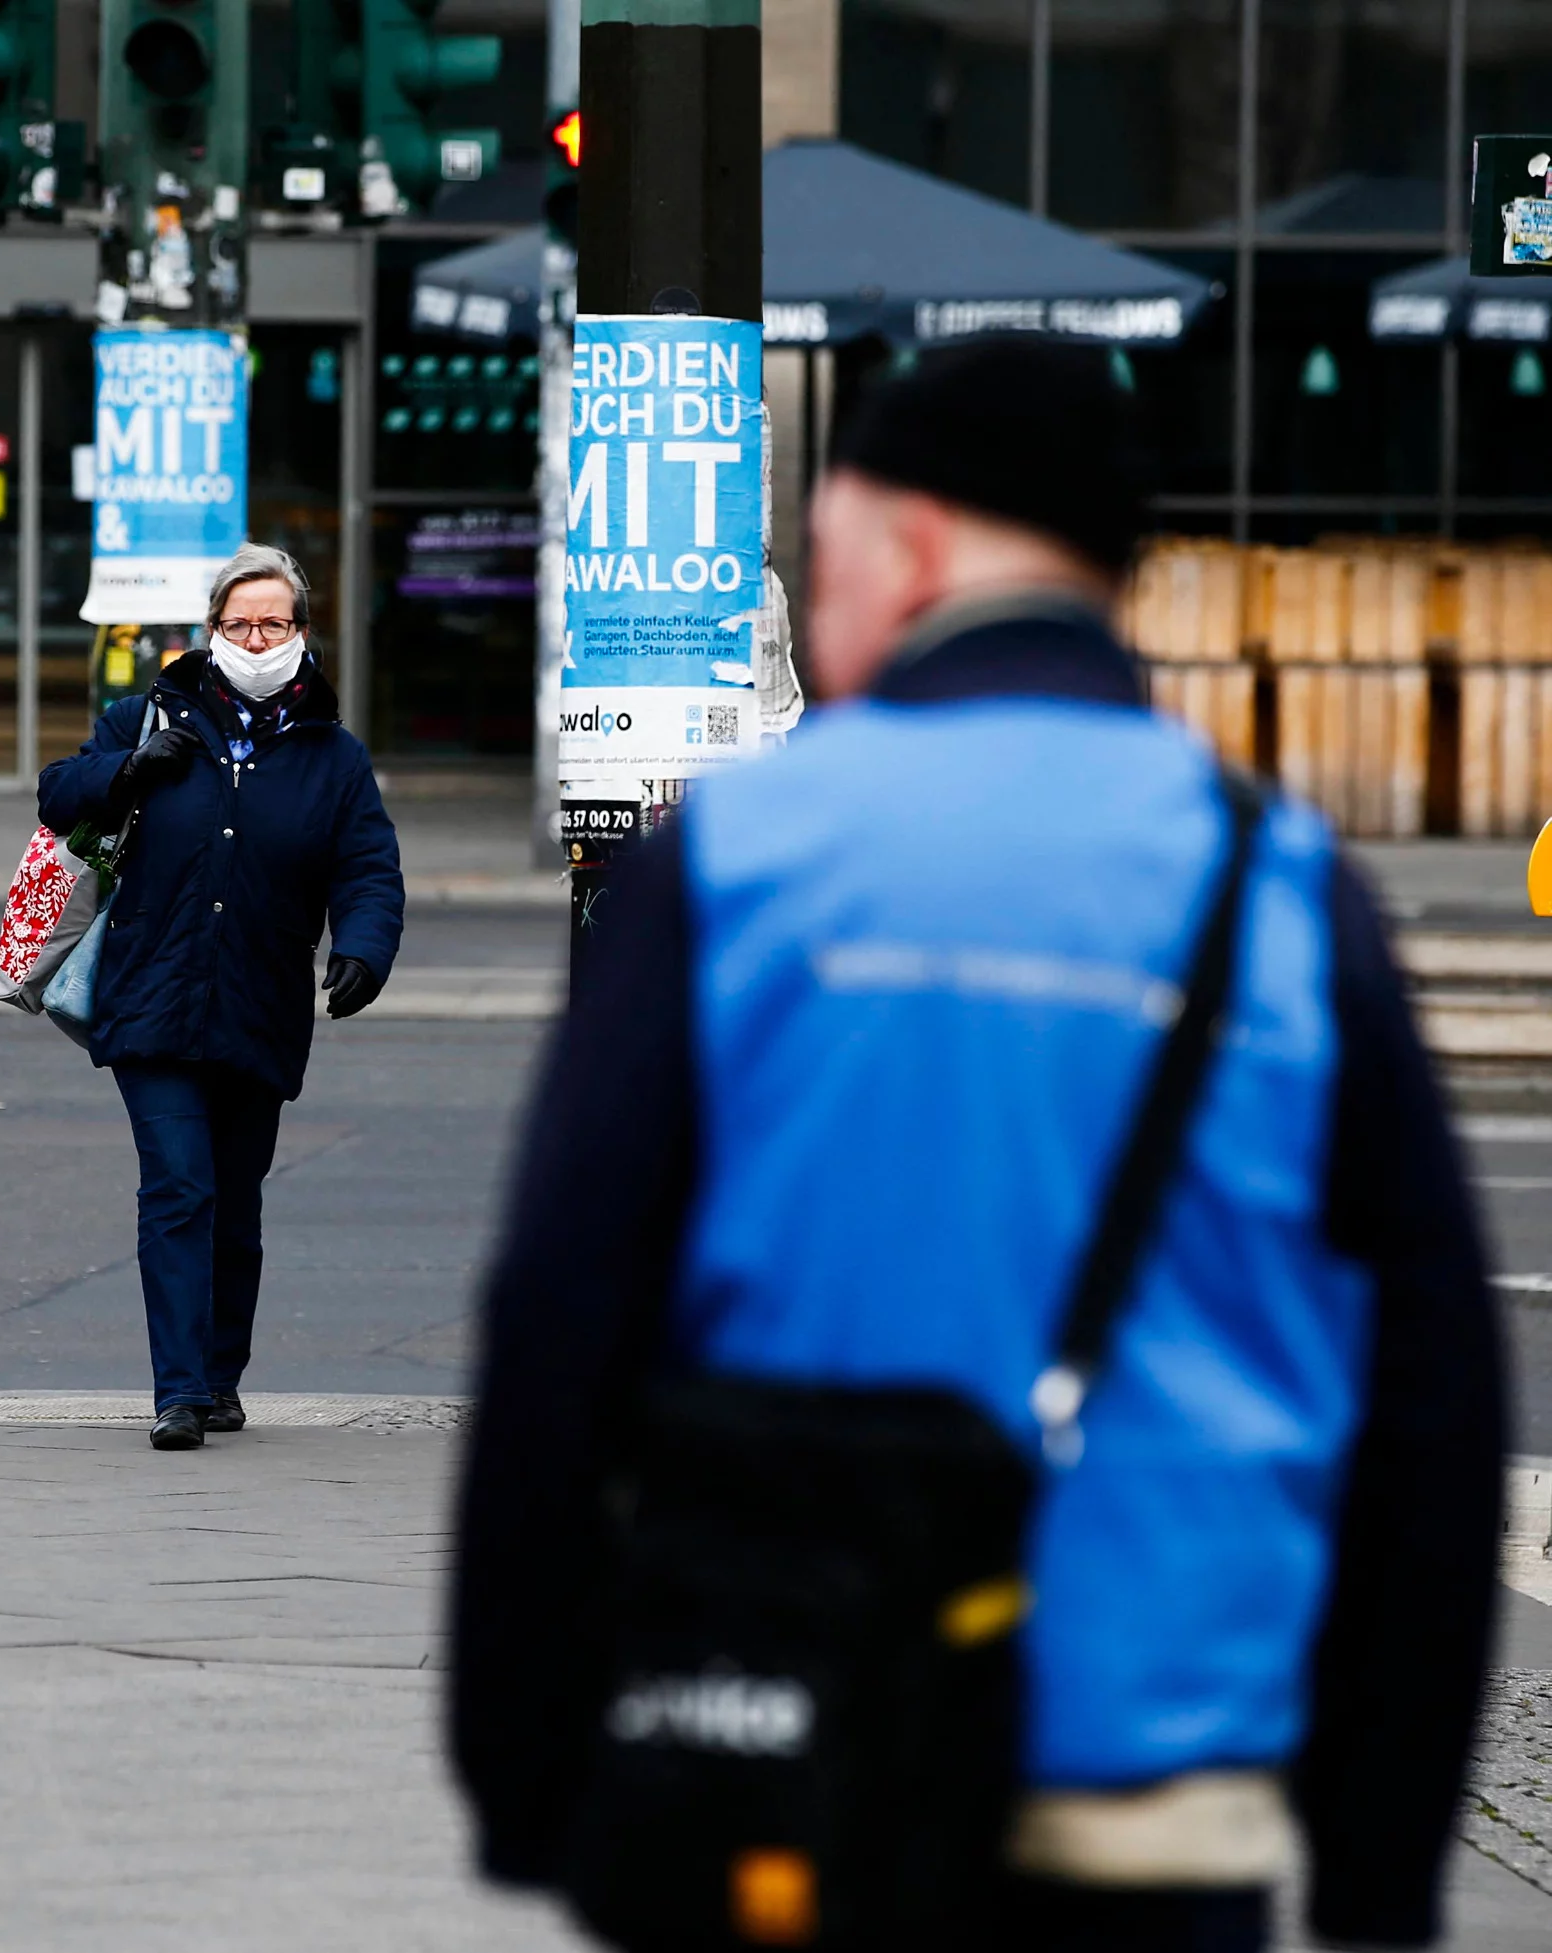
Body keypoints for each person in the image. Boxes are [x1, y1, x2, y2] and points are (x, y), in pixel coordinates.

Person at [449, 337, 1504, 1950]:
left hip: (793, 1759)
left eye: (824, 550)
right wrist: (1377, 1858)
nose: (816, 594)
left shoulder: (735, 858)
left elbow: (556, 1318)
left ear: (914, 539)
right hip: (1150, 1793)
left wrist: (528, 1771)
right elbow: (1434, 1391)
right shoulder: (1282, 886)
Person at [38, 544, 404, 1451]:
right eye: (239, 623)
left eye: (273, 623)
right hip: (151, 996)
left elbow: (369, 868)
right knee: (178, 1186)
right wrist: (128, 768)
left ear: (301, 634)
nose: (255, 637)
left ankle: (222, 1373)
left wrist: (363, 947)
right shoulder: (148, 715)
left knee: (235, 1203)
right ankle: (179, 1390)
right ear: (212, 631)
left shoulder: (333, 755)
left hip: (259, 1001)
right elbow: (56, 794)